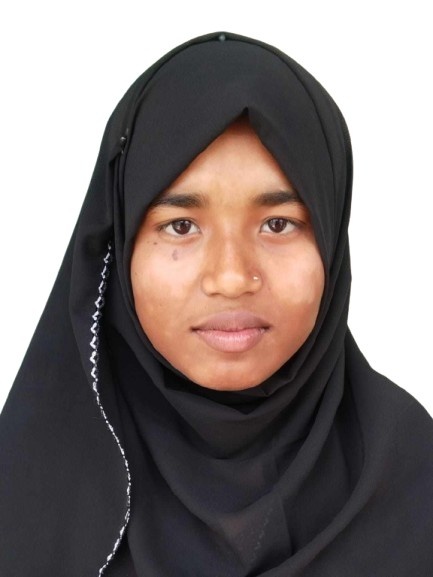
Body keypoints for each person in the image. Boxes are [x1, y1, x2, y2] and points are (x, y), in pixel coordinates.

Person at [1, 31, 432, 577]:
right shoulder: (26, 496)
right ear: (121, 242)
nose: (231, 277)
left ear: (331, 238)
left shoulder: (417, 484)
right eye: (181, 226)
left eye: (279, 224)